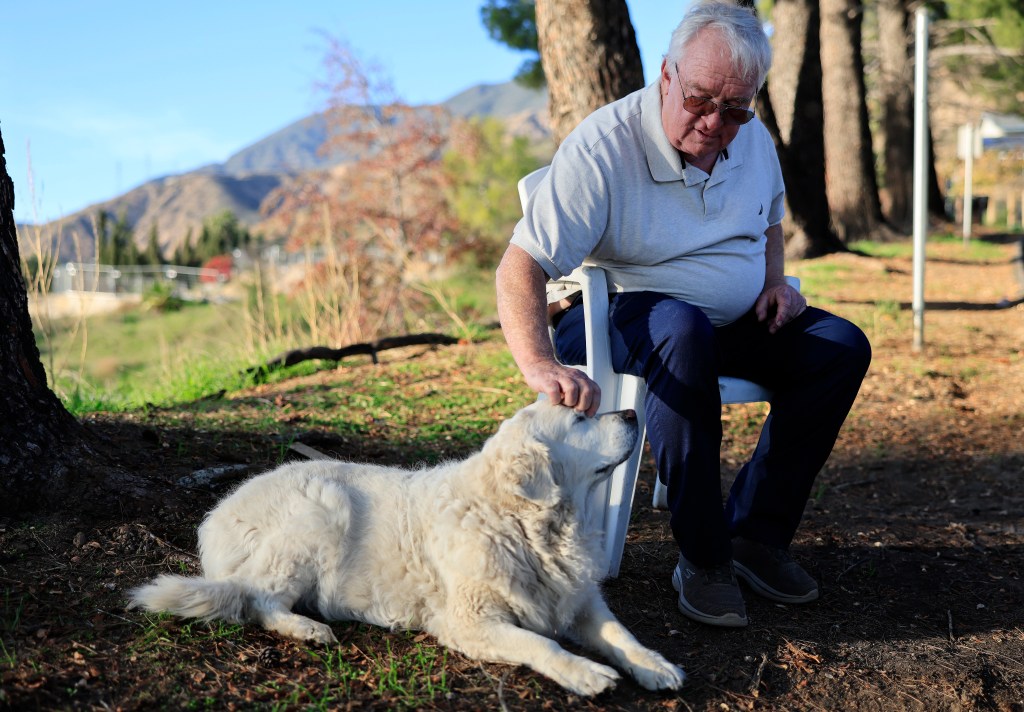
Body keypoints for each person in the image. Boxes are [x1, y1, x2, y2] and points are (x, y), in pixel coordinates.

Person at [495, 0, 871, 628]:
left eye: (734, 108)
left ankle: (755, 536)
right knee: (681, 330)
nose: (715, 122)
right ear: (667, 74)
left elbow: (770, 218)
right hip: (612, 312)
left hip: (724, 322)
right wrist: (539, 363)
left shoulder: (750, 135)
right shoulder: (604, 146)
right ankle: (703, 555)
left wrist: (776, 281)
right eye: (699, 99)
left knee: (840, 346)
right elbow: (521, 264)